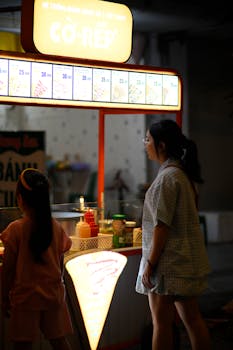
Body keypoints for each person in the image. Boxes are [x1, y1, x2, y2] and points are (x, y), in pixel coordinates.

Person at [135, 119, 211, 350]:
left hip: (167, 267)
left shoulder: (166, 179)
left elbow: (162, 226)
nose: (145, 144)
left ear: (162, 145)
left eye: (148, 139)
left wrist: (150, 264)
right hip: (185, 264)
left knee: (161, 324)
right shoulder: (182, 175)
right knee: (193, 320)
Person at [0, 168, 73, 350]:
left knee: (22, 344)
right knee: (59, 342)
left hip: (26, 299)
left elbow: (8, 269)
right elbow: (60, 264)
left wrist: (3, 297)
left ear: (20, 199)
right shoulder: (56, 227)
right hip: (53, 295)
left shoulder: (15, 230)